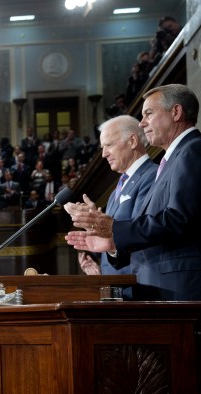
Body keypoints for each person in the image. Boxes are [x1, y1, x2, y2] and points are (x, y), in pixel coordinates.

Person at [66, 84, 201, 301]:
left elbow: (179, 218)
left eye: (148, 113)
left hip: (179, 284)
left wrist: (113, 229)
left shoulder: (192, 150)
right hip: (160, 283)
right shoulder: (171, 160)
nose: (142, 123)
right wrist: (111, 243)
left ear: (176, 112)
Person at [73, 115, 157, 277]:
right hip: (116, 286)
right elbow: (112, 241)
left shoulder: (153, 176)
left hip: (139, 284)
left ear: (132, 141)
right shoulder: (114, 193)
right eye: (102, 147)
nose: (104, 154)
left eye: (109, 145)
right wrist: (93, 224)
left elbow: (144, 234)